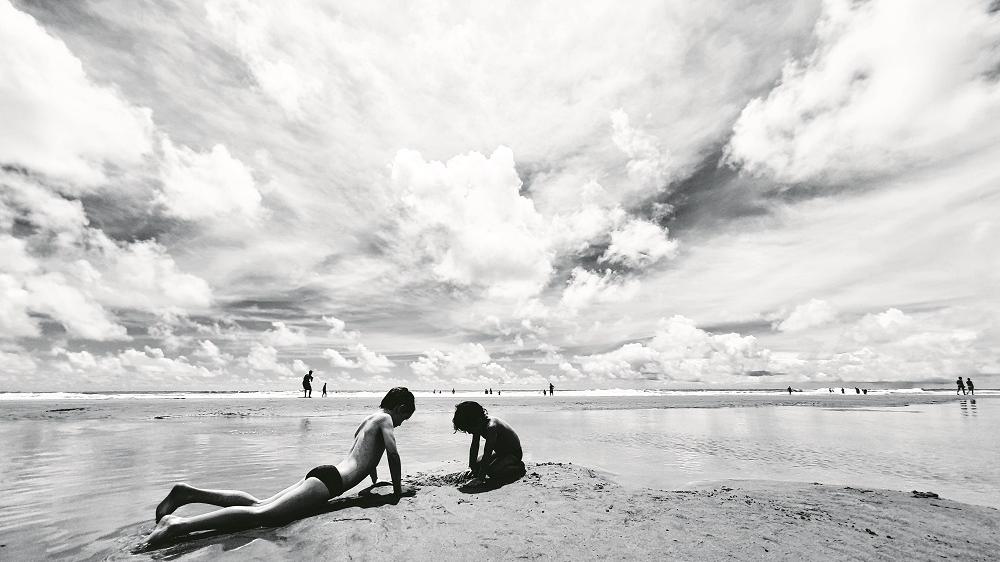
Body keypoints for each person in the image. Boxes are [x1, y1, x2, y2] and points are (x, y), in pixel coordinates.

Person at [144, 388, 416, 547]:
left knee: (258, 504)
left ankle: (189, 493)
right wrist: (397, 491)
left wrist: (373, 479)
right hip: (330, 483)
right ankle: (178, 525)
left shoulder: (369, 419)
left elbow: (363, 454)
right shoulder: (385, 420)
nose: (401, 423)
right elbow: (392, 454)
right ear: (400, 407)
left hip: (325, 474)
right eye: (404, 417)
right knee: (263, 515)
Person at [452, 401, 525, 485]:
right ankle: (498, 463)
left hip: (513, 454)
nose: (469, 432)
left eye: (469, 429)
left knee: (493, 471)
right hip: (500, 453)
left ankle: (519, 467)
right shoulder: (478, 424)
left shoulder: (491, 427)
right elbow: (474, 446)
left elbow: (487, 452)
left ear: (478, 420)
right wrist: (470, 467)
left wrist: (480, 478)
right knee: (476, 465)